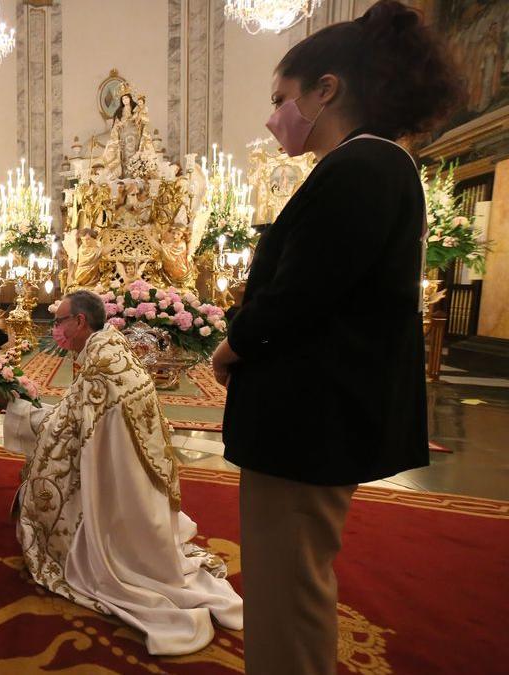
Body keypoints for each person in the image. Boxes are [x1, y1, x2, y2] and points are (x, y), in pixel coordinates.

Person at [210, 3, 459, 673]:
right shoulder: (369, 166)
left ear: (328, 90)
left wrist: (229, 348)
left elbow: (298, 295)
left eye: (282, 99)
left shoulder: (361, 168)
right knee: (283, 583)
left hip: (306, 424)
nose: (274, 117)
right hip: (308, 421)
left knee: (287, 590)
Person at [5, 290, 242, 656]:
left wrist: (19, 411)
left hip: (122, 482)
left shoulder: (101, 364)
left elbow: (64, 431)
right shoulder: (111, 347)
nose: (56, 329)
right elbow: (77, 414)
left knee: (47, 484)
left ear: (80, 322)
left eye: (59, 322)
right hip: (137, 475)